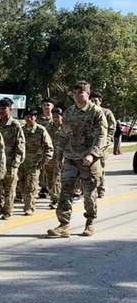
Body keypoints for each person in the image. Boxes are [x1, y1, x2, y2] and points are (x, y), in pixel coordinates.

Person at [47, 80, 108, 239]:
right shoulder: (69, 112)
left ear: (87, 94)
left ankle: (90, 222)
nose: (77, 96)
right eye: (75, 93)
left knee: (89, 193)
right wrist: (59, 156)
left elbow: (102, 136)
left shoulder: (96, 112)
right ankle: (64, 224)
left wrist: (93, 154)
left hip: (89, 160)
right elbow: (63, 135)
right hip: (71, 158)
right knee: (65, 191)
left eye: (81, 92)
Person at [0, 99, 25, 219]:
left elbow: (20, 145)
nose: (2, 110)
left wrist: (16, 163)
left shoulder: (15, 125)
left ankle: (7, 211)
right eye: (0, 108)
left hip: (11, 163)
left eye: (5, 108)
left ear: (10, 109)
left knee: (9, 189)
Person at [20, 109, 53, 215]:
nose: (29, 119)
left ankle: (29, 207)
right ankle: (26, 203)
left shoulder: (40, 130)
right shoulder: (21, 130)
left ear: (35, 117)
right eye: (27, 116)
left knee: (31, 186)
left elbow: (49, 148)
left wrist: (43, 162)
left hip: (35, 164)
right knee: (22, 185)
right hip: (22, 163)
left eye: (31, 116)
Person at [90, 92, 116, 197]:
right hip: (90, 145)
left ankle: (101, 189)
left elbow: (112, 126)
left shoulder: (106, 112)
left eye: (95, 100)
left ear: (100, 101)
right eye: (91, 100)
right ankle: (90, 189)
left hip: (102, 145)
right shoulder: (88, 112)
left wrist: (108, 139)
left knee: (100, 167)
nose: (93, 102)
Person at [47, 108, 65, 208]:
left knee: (56, 179)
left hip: (60, 157)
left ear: (62, 117)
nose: (55, 119)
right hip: (49, 158)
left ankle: (56, 200)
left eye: (57, 117)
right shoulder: (48, 128)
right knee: (49, 180)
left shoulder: (65, 128)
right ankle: (54, 195)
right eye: (53, 117)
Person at [37, 98, 54, 198]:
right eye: (44, 105)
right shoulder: (38, 120)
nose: (46, 107)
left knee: (53, 169)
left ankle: (53, 189)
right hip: (41, 147)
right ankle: (44, 187)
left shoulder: (56, 118)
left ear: (52, 107)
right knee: (43, 168)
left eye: (48, 105)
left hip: (54, 146)